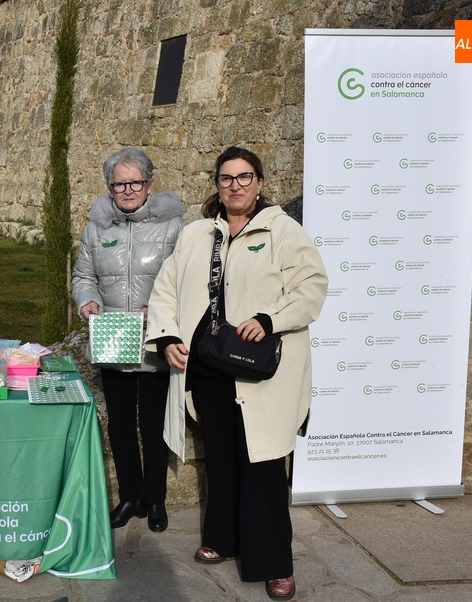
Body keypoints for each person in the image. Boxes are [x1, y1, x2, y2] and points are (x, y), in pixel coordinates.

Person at [145, 146, 328, 599]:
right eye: (227, 178)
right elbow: (165, 287)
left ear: (260, 183)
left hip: (259, 370)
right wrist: (167, 337)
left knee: (264, 464)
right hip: (209, 367)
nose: (236, 185)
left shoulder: (284, 231)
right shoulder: (196, 234)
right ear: (218, 185)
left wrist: (269, 319)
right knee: (222, 458)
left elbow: (312, 288)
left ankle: (273, 562)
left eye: (245, 177)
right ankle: (222, 538)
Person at [71, 147, 186, 532]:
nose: (127, 189)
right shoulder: (95, 229)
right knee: (120, 423)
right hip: (113, 336)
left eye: (135, 182)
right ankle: (131, 497)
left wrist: (160, 312)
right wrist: (88, 301)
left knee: (153, 424)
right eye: (119, 183)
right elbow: (84, 276)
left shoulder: (175, 228)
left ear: (150, 184)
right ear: (110, 187)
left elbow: (185, 282)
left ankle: (155, 499)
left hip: (155, 340)